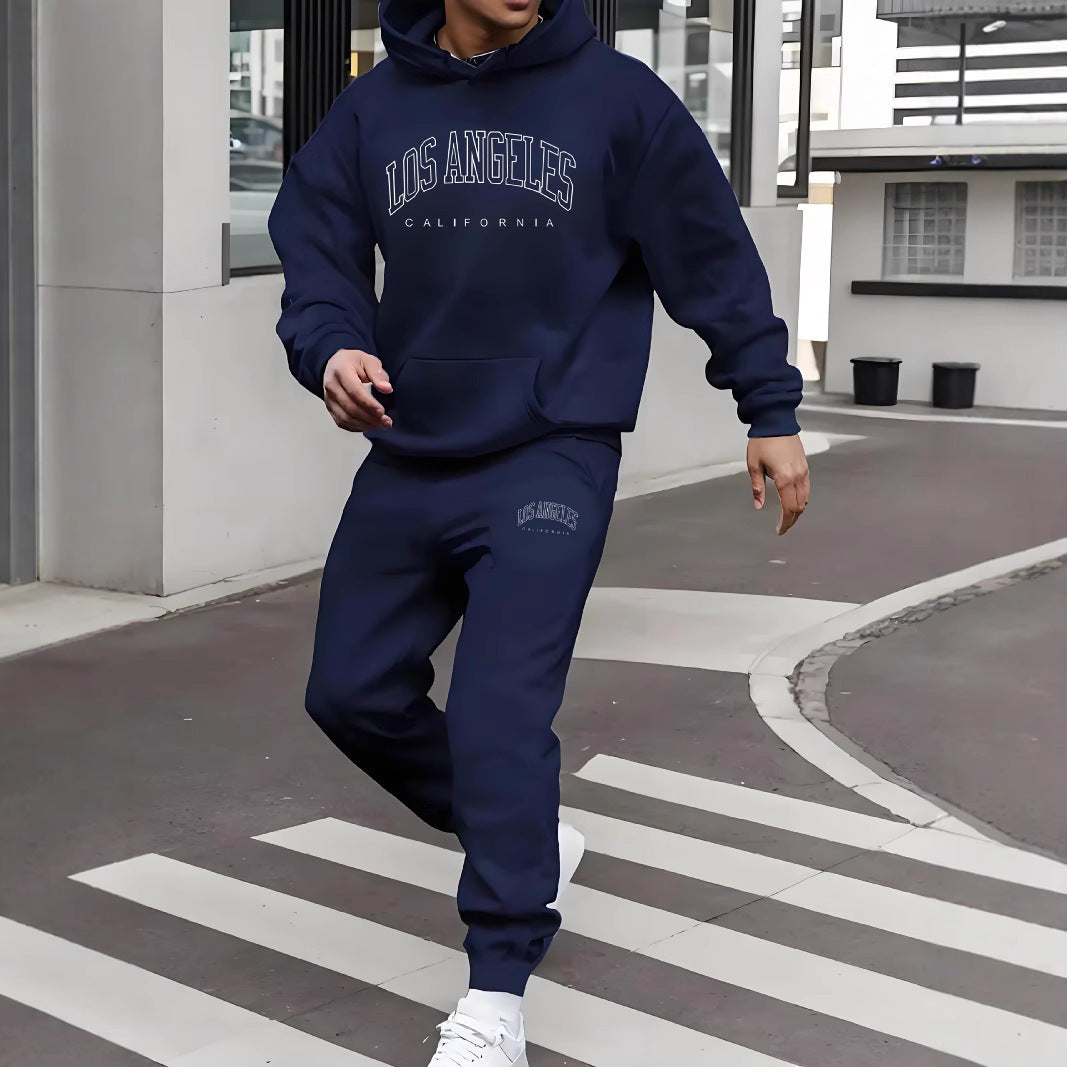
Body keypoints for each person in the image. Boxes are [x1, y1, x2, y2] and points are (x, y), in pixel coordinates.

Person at [268, 0, 810, 1057]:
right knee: (349, 690)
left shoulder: (618, 101)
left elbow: (709, 253)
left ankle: (496, 998)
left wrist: (768, 406)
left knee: (497, 716)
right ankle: (524, 832)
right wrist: (329, 347)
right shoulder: (374, 109)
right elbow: (315, 246)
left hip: (553, 447)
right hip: (411, 444)